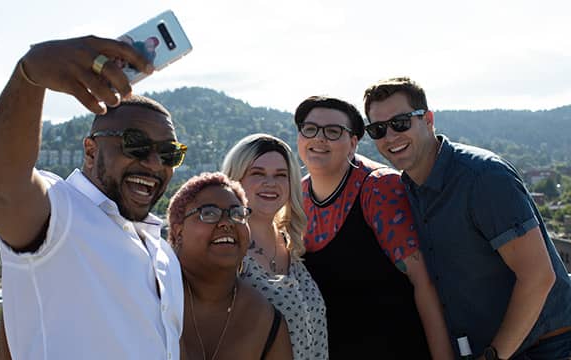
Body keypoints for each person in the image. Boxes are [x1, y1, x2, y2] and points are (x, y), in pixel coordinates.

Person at [0, 35, 184, 359]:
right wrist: (29, 75)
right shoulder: (59, 216)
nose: (154, 163)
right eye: (136, 145)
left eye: (170, 153)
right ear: (91, 150)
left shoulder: (163, 254)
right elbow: (6, 182)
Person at [363, 76, 571, 359]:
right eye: (377, 129)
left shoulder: (483, 177)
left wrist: (494, 356)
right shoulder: (407, 189)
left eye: (400, 123)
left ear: (428, 120)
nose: (390, 136)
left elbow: (538, 277)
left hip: (544, 348)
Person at [293, 96, 454, 358]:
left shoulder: (379, 188)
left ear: (353, 143)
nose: (319, 138)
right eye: (309, 129)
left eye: (334, 132)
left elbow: (424, 283)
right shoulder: (297, 196)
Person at [222, 133, 328, 359]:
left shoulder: (293, 244)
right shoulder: (227, 251)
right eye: (257, 173)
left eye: (281, 175)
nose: (270, 183)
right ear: (235, 179)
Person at [166, 172, 293, 359]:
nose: (227, 223)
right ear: (178, 231)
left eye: (237, 214)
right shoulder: (151, 296)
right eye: (208, 213)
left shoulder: (265, 321)